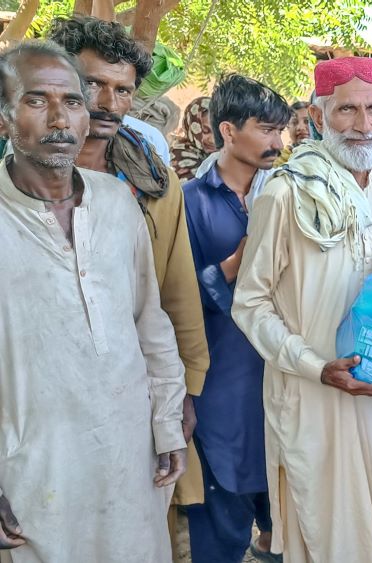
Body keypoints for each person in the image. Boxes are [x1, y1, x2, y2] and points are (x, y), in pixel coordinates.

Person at [0, 40, 187, 562]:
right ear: (3, 118)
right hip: (32, 466)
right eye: (36, 101)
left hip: (129, 451)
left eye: (73, 102)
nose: (59, 118)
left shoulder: (115, 201)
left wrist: (167, 422)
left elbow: (150, 321)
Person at [231, 57, 372, 563]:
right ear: (318, 117)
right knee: (330, 537)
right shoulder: (286, 192)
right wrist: (317, 368)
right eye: (347, 111)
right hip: (311, 397)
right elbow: (250, 303)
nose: (364, 125)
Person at [46, 13, 210, 539]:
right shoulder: (17, 184)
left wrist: (185, 390)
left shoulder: (151, 183)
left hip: (135, 392)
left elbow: (176, 293)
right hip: (42, 401)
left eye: (123, 90)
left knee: (138, 525)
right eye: (92, 84)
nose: (109, 103)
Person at [182, 75, 291, 563]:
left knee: (285, 510)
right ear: (228, 130)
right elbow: (176, 293)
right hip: (221, 379)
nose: (277, 142)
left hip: (282, 374)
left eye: (280, 131)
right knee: (221, 520)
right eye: (266, 130)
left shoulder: (290, 195)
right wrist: (234, 264)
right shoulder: (188, 201)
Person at [171, 96, 217, 181]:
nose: (212, 140)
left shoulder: (219, 155)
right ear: (190, 125)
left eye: (217, 131)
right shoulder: (179, 156)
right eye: (205, 131)